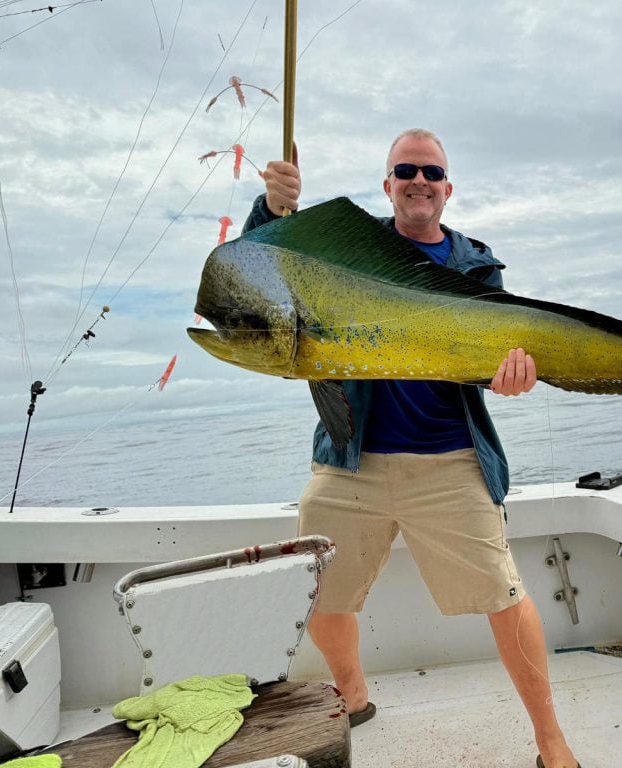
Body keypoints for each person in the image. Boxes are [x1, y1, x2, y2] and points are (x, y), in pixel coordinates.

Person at [242, 129, 579, 768]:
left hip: (451, 461)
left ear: (447, 189)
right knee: (321, 591)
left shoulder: (478, 267)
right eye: (406, 170)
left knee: (505, 598)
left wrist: (511, 376)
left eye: (431, 172)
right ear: (388, 185)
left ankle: (551, 741)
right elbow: (260, 271)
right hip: (350, 459)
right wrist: (272, 207)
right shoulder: (348, 251)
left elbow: (492, 358)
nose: (419, 181)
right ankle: (352, 693)